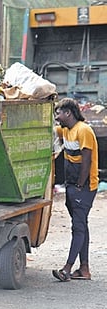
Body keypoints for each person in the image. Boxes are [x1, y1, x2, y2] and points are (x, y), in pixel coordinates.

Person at [52, 97, 99, 282]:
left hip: (84, 186)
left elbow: (86, 161)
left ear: (68, 113)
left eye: (59, 113)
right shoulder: (65, 130)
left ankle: (67, 268)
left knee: (78, 228)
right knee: (81, 225)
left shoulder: (83, 130)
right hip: (72, 185)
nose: (57, 116)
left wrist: (80, 186)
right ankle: (84, 269)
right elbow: (49, 129)